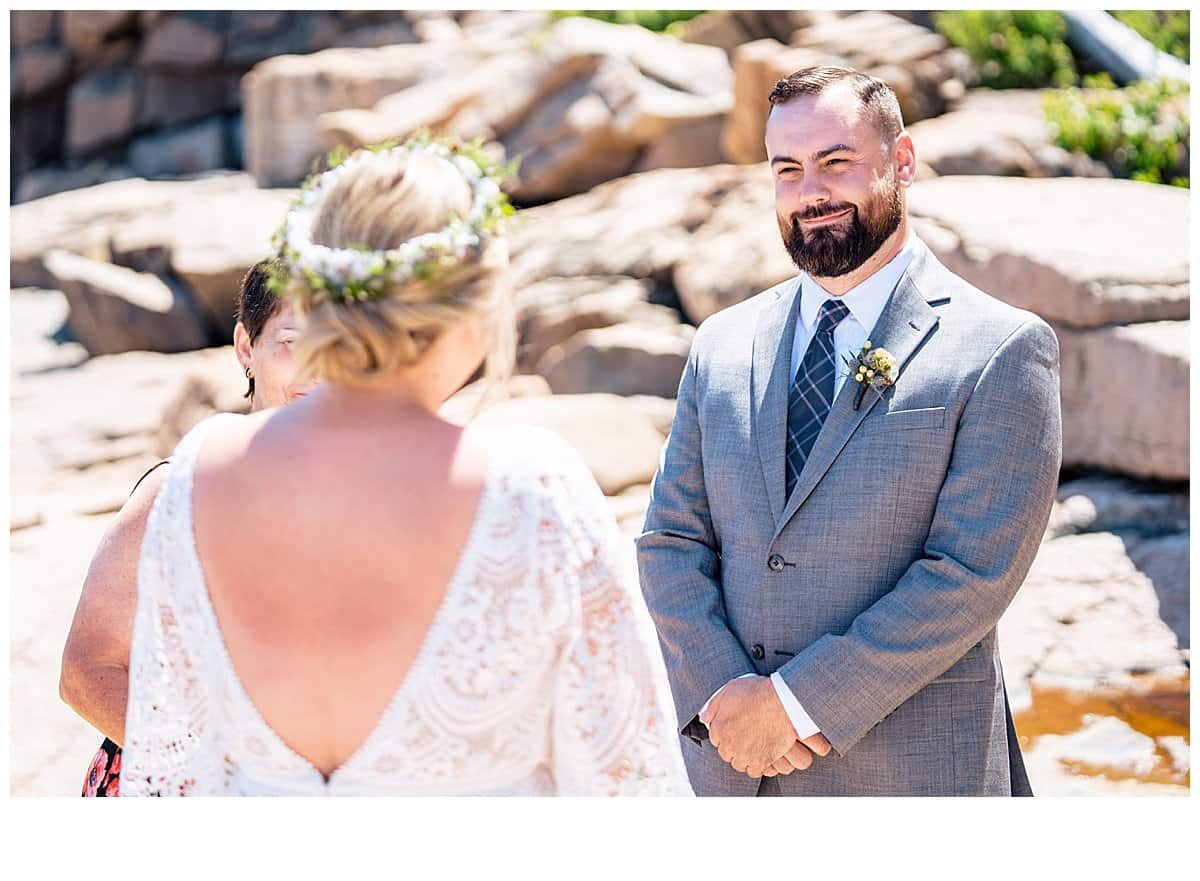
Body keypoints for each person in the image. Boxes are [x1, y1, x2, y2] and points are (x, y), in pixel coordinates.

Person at [113, 136, 690, 796]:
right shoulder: (533, 487)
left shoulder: (197, 475)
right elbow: (631, 790)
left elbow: (177, 771)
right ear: (470, 307)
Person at [637, 66, 1062, 796]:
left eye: (836, 162)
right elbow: (671, 542)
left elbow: (968, 575)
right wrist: (727, 697)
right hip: (732, 772)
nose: (812, 193)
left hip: (911, 783)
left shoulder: (1002, 348)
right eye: (788, 170)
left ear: (902, 162)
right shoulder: (722, 342)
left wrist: (795, 706)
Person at [63, 258, 316, 796]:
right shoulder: (176, 491)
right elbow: (86, 674)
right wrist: (218, 780)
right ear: (246, 348)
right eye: (292, 343)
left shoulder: (367, 499)